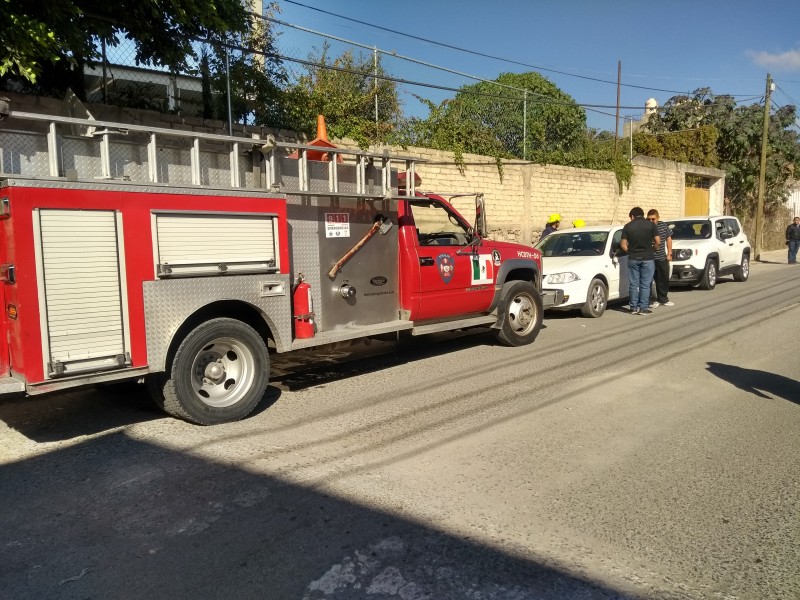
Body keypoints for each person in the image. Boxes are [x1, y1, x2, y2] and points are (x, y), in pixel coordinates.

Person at [620, 206, 660, 315]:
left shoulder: (627, 226)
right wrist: (653, 249)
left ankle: (633, 307)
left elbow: (623, 245)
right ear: (642, 215)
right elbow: (658, 241)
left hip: (633, 258)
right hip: (648, 258)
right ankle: (643, 308)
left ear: (632, 216)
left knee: (633, 283)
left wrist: (631, 252)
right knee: (645, 284)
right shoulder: (651, 225)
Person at [647, 209, 673, 307]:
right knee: (648, 280)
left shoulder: (663, 226)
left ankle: (663, 299)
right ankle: (650, 300)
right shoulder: (646, 227)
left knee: (663, 279)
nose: (651, 221)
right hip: (649, 258)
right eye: (648, 219)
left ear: (658, 218)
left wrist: (669, 253)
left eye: (653, 219)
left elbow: (669, 239)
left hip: (661, 257)